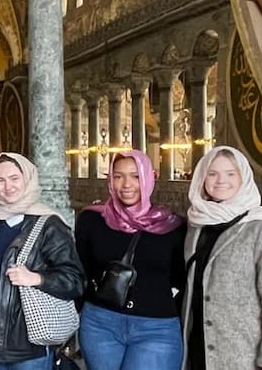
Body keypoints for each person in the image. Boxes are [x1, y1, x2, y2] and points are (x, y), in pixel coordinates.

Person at [182, 146, 262, 370]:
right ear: (202, 179)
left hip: (246, 355)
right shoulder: (197, 225)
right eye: (212, 173)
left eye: (231, 173)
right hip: (201, 349)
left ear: (244, 177)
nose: (221, 180)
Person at [75, 150, 187, 370]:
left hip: (155, 327)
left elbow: (180, 278)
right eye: (118, 176)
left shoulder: (173, 226)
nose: (126, 184)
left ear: (148, 178)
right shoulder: (92, 220)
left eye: (135, 176)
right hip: (100, 324)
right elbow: (81, 270)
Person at [0, 153, 83, 370]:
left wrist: (36, 278)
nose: (8, 186)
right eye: (1, 180)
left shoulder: (49, 224)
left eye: (15, 178)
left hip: (28, 342)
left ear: (27, 178)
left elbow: (75, 281)